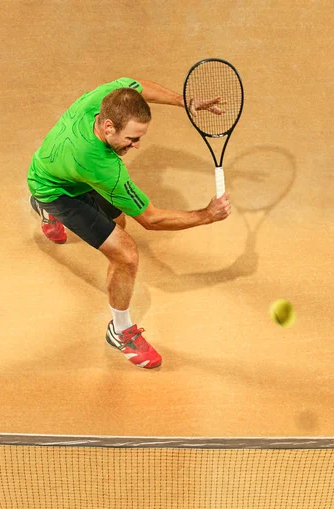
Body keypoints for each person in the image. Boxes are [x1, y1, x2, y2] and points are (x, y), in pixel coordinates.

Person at [27, 77, 232, 369]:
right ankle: (120, 330)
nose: (136, 146)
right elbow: (151, 219)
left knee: (118, 221)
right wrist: (206, 215)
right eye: (132, 139)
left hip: (52, 166)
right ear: (109, 127)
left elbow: (134, 84)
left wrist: (184, 102)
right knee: (125, 253)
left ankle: (45, 209)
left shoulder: (99, 101)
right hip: (57, 189)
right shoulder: (102, 166)